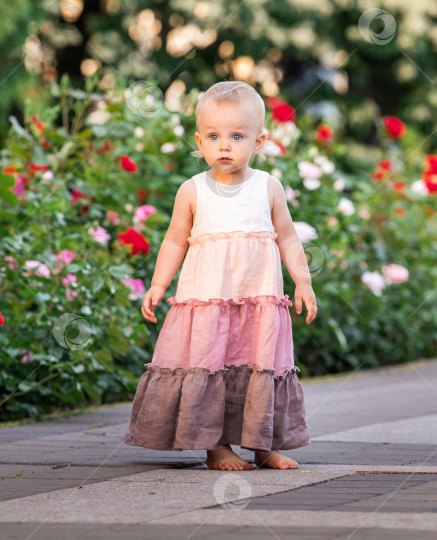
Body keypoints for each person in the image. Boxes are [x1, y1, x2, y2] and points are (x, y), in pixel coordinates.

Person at [123, 81, 317, 471]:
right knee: (213, 367)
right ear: (199, 139)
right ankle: (218, 447)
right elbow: (175, 241)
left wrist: (303, 281)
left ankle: (264, 446)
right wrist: (159, 284)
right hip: (208, 305)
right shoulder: (193, 190)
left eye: (237, 136)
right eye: (213, 136)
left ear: (258, 142)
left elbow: (289, 236)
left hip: (258, 303)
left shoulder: (268, 187)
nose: (224, 145)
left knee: (261, 366)